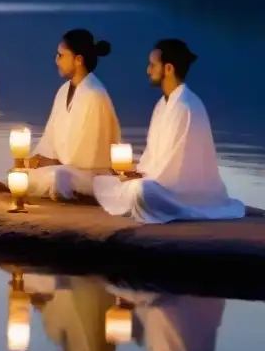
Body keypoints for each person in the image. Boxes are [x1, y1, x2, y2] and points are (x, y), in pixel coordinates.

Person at [93, 39, 245, 223]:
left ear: (169, 69)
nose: (148, 70)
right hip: (158, 181)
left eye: (152, 65)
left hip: (183, 193)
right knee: (104, 181)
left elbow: (176, 169)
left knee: (142, 191)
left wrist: (141, 178)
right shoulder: (163, 104)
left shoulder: (184, 106)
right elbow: (154, 156)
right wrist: (136, 171)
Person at [27, 30, 121, 200]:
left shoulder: (95, 94)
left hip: (91, 173)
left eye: (61, 55)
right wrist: (39, 158)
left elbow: (90, 156)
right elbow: (50, 138)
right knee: (20, 174)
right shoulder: (63, 91)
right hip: (64, 168)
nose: (56, 60)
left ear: (78, 59)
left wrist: (53, 162)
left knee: (59, 178)